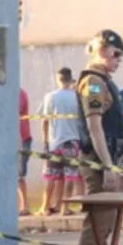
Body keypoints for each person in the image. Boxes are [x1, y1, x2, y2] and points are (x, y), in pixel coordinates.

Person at [74, 29, 123, 245]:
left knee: (107, 229)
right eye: (116, 54)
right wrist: (108, 167)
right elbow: (94, 128)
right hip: (101, 163)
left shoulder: (104, 81)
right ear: (101, 50)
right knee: (97, 228)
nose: (118, 60)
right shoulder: (93, 82)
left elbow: (113, 123)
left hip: (112, 160)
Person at [39, 68, 84, 216]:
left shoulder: (50, 97)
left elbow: (44, 121)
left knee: (51, 176)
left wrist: (45, 142)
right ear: (70, 79)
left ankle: (45, 207)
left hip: (54, 142)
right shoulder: (77, 97)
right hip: (72, 141)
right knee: (70, 176)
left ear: (58, 79)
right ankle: (65, 207)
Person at [18, 87, 32, 216]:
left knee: (19, 174)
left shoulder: (19, 93)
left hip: (22, 137)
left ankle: (24, 206)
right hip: (11, 137)